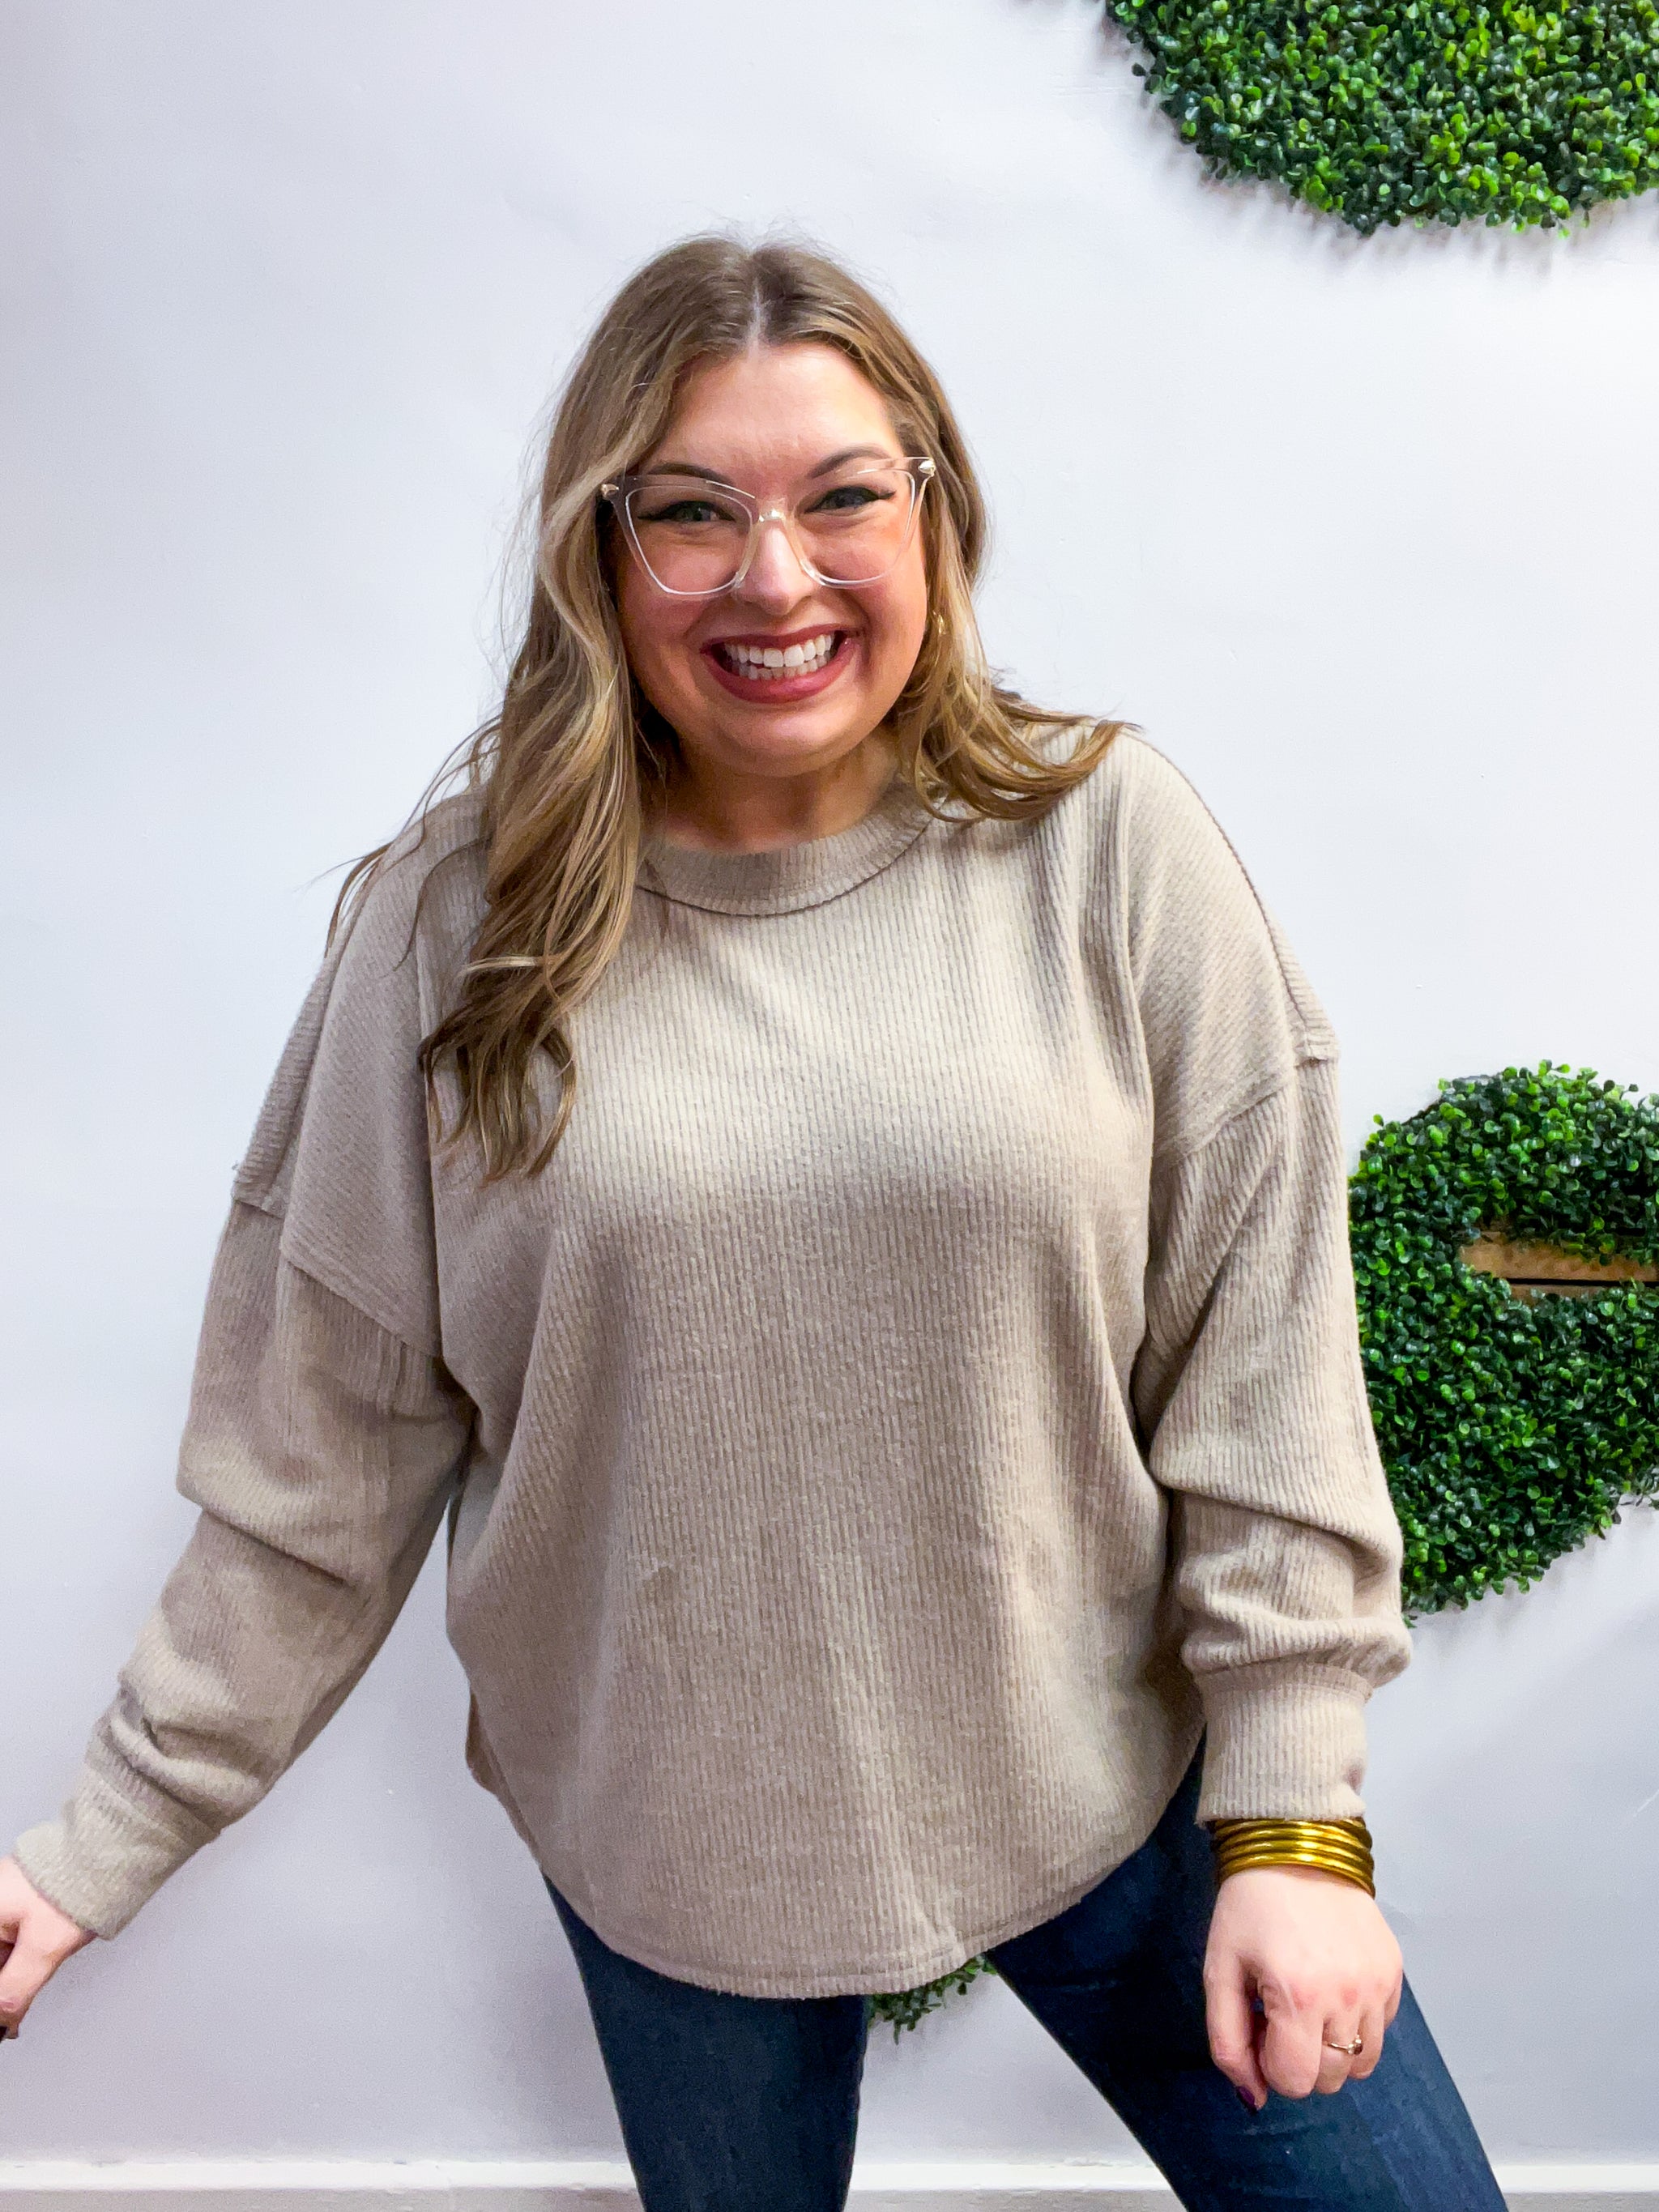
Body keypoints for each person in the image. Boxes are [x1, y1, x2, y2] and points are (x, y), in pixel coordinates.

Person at [0, 236, 1505, 2211]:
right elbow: (319, 1462)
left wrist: (1295, 1827)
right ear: (600, 552)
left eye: (841, 496)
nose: (773, 579)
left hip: (1110, 1779)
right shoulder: (459, 926)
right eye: (691, 511)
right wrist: (89, 1850)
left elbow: (1264, 1367)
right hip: (674, 1844)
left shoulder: (1106, 847)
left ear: (932, 511)